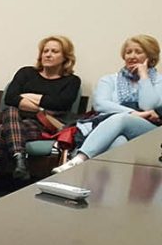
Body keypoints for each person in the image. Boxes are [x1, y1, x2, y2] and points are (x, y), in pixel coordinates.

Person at [0, 35, 81, 203]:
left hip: (42, 124)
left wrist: (31, 100)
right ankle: (19, 157)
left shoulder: (71, 81)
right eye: (45, 51)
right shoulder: (26, 73)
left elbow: (61, 103)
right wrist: (44, 103)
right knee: (10, 111)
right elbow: (10, 97)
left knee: (1, 130)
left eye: (54, 51)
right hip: (14, 118)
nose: (48, 55)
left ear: (65, 57)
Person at [54, 34, 162, 173]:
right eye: (128, 52)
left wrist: (144, 76)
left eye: (138, 52)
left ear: (150, 56)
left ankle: (79, 160)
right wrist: (135, 114)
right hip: (108, 127)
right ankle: (112, 187)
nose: (131, 56)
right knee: (119, 142)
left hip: (149, 130)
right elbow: (101, 104)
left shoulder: (158, 81)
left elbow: (148, 106)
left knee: (121, 118)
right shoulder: (109, 80)